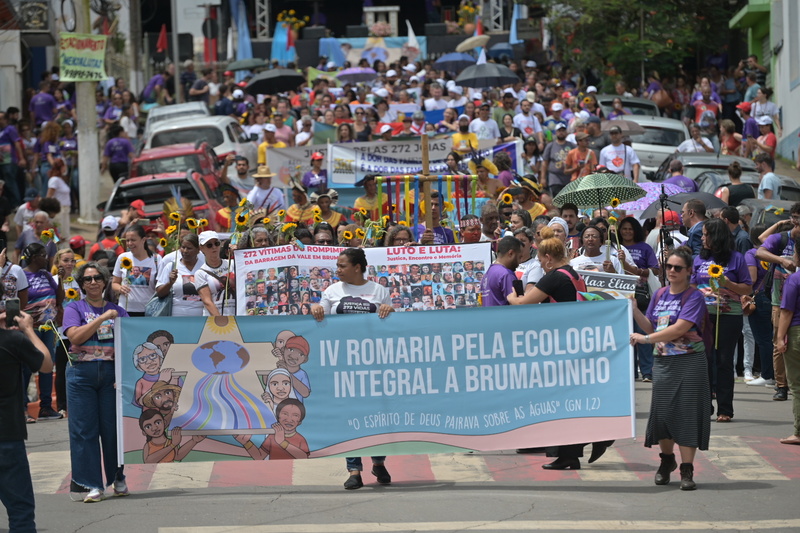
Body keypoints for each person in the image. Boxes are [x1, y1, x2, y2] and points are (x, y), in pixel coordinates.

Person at [310, 248, 393, 490]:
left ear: (357, 267)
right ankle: (354, 470)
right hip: (343, 363)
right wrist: (316, 308)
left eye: (342, 265)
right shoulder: (332, 291)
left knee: (377, 414)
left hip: (374, 363)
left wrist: (391, 311)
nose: (337, 269)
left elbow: (392, 323)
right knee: (350, 414)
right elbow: (321, 309)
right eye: (337, 265)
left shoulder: (379, 291)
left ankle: (378, 462)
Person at [631, 247, 711, 490]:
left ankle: (687, 470)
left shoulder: (694, 297)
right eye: (669, 267)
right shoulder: (660, 294)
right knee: (663, 415)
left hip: (689, 363)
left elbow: (679, 329)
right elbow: (651, 328)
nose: (672, 271)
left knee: (687, 415)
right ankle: (667, 462)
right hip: (664, 362)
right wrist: (634, 309)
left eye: (678, 268)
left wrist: (645, 340)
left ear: (688, 271)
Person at [63, 262, 129, 502]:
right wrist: (102, 318)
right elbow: (76, 337)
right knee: (84, 431)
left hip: (111, 376)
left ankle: (118, 478)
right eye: (87, 279)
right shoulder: (74, 307)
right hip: (81, 374)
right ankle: (92, 484)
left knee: (113, 431)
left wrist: (123, 377)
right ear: (81, 284)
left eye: (97, 278)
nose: (92, 282)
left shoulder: (118, 310)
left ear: (104, 281)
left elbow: (128, 344)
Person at [691, 218, 752, 423]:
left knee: (724, 361)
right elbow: (691, 285)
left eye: (707, 234)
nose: (703, 237)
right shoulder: (699, 258)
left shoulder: (736, 258)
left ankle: (725, 409)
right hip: (703, 316)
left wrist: (728, 283)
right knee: (705, 360)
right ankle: (704, 405)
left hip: (729, 315)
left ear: (717, 236)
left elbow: (747, 288)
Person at [0, 307, 52, 531]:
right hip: (7, 434)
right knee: (20, 510)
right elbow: (46, 364)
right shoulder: (13, 340)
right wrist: (29, 330)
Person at [775, 235, 800, 446]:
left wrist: (779, 337)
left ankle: (799, 431)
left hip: (797, 332)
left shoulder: (794, 279)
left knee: (797, 384)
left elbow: (786, 311)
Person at [111, 224, 161, 316]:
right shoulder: (123, 258)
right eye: (128, 240)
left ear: (143, 240)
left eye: (133, 240)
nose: (129, 243)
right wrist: (120, 288)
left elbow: (160, 287)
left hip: (149, 310)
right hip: (125, 310)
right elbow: (114, 283)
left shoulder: (156, 259)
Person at [155, 233, 205, 317]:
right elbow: (159, 293)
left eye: (189, 248)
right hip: (176, 317)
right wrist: (170, 283)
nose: (185, 251)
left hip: (200, 317)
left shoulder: (204, 267)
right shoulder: (171, 266)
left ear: (198, 250)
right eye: (183, 247)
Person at [195, 231, 235, 316]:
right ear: (201, 248)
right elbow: (207, 301)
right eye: (209, 245)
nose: (214, 247)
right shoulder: (200, 273)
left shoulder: (232, 264)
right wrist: (220, 320)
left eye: (216, 243)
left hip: (237, 315)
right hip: (215, 319)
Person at [480, 236, 522, 306]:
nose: (520, 262)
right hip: (504, 316)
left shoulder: (489, 272)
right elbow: (516, 304)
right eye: (519, 257)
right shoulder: (506, 274)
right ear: (511, 253)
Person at [540, 123, 574, 196]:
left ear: (566, 132)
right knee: (557, 198)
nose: (561, 132)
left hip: (568, 178)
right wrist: (543, 178)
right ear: (556, 132)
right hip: (555, 178)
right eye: (559, 131)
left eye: (563, 130)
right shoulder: (550, 146)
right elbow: (544, 163)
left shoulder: (572, 146)